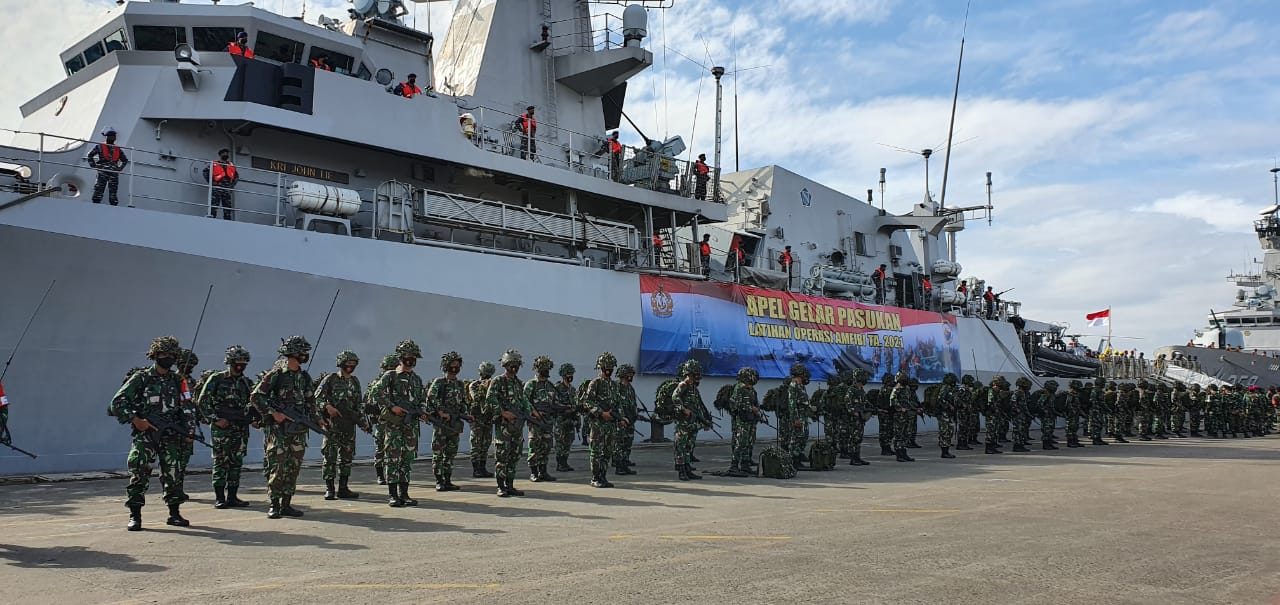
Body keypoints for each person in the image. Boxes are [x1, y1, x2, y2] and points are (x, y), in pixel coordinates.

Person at [110, 336, 191, 531]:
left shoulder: (178, 380)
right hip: (146, 435)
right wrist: (137, 420)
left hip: (170, 435)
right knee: (139, 470)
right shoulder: (141, 378)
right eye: (164, 354)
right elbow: (117, 402)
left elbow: (187, 406)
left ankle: (174, 513)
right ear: (155, 355)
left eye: (172, 355)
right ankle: (135, 515)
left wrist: (189, 430)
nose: (168, 358)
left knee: (174, 473)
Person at [251, 335, 319, 519]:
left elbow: (310, 401)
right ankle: (274, 504)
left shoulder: (304, 377)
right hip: (279, 431)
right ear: (292, 353)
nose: (305, 355)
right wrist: (274, 413)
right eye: (302, 352)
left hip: (298, 431)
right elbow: (256, 397)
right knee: (277, 467)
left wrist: (317, 420)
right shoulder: (276, 375)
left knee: (293, 467)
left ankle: (287, 504)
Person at [197, 345, 255, 509]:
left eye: (244, 361)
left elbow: (253, 405)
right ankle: (220, 497)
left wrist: (254, 420)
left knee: (236, 462)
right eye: (238, 361)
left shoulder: (247, 383)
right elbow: (203, 401)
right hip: (222, 427)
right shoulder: (217, 379)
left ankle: (232, 496)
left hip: (240, 428)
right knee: (221, 461)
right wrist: (215, 419)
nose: (241, 364)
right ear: (230, 361)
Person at [372, 340, 427, 507]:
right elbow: (376, 392)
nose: (411, 360)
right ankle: (393, 495)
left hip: (410, 426)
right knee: (393, 458)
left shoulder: (416, 379)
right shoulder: (390, 376)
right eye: (408, 357)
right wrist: (392, 406)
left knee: (407, 459)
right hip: (394, 425)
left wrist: (422, 411)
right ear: (401, 358)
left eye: (414, 357)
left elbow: (422, 399)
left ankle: (405, 494)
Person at [315, 350, 370, 500]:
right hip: (333, 425)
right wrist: (327, 407)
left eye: (353, 364)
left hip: (349, 425)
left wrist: (362, 422)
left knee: (347, 457)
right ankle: (330, 488)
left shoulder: (355, 381)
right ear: (341, 363)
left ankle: (343, 487)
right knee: (330, 456)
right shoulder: (331, 379)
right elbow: (316, 398)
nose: (350, 366)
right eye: (348, 363)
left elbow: (359, 405)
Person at [485, 349, 540, 497]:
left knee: (514, 455)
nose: (514, 367)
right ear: (505, 365)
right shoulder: (498, 381)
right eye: (511, 364)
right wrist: (503, 412)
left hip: (517, 425)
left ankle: (510, 485)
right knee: (502, 455)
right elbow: (490, 398)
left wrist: (531, 412)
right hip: (504, 426)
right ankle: (501, 486)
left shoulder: (518, 383)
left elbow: (524, 400)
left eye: (516, 364)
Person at [425, 351, 468, 491]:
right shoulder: (439, 382)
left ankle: (448, 479)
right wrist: (440, 412)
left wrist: (466, 414)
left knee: (451, 452)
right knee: (438, 453)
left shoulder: (460, 384)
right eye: (452, 365)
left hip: (454, 423)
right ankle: (439, 480)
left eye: (457, 365)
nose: (455, 368)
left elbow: (462, 402)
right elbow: (430, 399)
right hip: (442, 424)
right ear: (446, 366)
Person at [583, 352, 626, 488]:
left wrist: (621, 417)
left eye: (611, 367)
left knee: (607, 451)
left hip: (611, 424)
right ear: (601, 368)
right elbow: (587, 401)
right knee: (596, 451)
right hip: (598, 424)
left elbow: (618, 403)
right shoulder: (595, 383)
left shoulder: (614, 385)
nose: (609, 370)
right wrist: (601, 413)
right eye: (606, 367)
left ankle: (603, 476)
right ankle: (595, 477)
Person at [524, 356, 560, 482]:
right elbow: (524, 401)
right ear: (537, 369)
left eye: (547, 368)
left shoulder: (550, 386)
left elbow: (555, 402)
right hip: (536, 421)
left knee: (546, 447)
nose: (545, 370)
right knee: (534, 445)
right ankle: (534, 472)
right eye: (543, 368)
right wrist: (534, 412)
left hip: (548, 421)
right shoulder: (531, 384)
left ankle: (543, 471)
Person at [670, 360, 707, 481]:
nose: (698, 376)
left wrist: (704, 420)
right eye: (695, 373)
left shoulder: (693, 388)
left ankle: (687, 468)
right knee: (680, 446)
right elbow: (675, 397)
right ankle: (681, 470)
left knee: (688, 447)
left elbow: (697, 406)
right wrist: (683, 409)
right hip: (683, 422)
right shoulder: (683, 385)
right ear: (689, 373)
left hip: (691, 422)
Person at [367, 354, 398, 485]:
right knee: (380, 448)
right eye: (388, 368)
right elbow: (368, 403)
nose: (391, 370)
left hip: (396, 422)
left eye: (393, 368)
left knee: (395, 449)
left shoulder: (398, 383)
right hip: (381, 421)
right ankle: (380, 475)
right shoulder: (376, 383)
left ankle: (394, 475)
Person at [174, 350, 200, 502]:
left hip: (188, 426)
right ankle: (171, 489)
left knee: (183, 460)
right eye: (185, 365)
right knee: (172, 460)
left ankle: (179, 488)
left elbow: (195, 404)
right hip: (173, 426)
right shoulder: (172, 380)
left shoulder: (193, 383)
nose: (188, 368)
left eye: (191, 365)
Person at [727, 367, 760, 476]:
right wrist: (750, 408)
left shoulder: (752, 390)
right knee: (740, 442)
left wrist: (758, 413)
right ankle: (734, 466)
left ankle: (745, 465)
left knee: (749, 442)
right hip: (741, 420)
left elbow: (756, 404)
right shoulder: (739, 388)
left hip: (751, 420)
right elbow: (735, 404)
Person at [467, 361, 497, 478]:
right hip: (477, 418)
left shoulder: (492, 383)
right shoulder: (474, 385)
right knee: (476, 444)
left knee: (485, 443)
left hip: (488, 418)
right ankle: (476, 469)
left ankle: (483, 468)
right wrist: (486, 386)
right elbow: (477, 398)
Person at [87, 128, 128, 205]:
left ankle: (113, 205)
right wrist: (94, 165)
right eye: (110, 136)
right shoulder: (99, 146)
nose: (113, 137)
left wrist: (120, 168)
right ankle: (95, 203)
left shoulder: (118, 149)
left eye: (114, 136)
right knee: (99, 188)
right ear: (107, 137)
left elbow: (125, 160)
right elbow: (90, 155)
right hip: (102, 171)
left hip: (114, 172)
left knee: (113, 190)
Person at [613, 364, 640, 474]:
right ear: (623, 374)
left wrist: (635, 415)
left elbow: (633, 403)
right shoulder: (616, 387)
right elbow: (613, 404)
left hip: (630, 420)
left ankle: (625, 463)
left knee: (628, 442)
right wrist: (620, 418)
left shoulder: (630, 388)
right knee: (619, 443)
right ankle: (619, 466)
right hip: (620, 420)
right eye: (629, 374)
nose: (631, 376)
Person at [552, 363, 579, 473]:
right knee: (560, 442)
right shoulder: (557, 388)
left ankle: (565, 462)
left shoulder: (572, 389)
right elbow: (554, 404)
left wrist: (577, 419)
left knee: (568, 442)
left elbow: (576, 404)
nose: (570, 376)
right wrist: (566, 409)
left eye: (571, 374)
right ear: (563, 375)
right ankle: (560, 464)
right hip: (561, 420)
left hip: (571, 420)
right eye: (568, 374)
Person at [203, 148, 238, 220]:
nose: (225, 154)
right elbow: (205, 171)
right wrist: (211, 182)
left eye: (227, 153)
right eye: (224, 153)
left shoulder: (231, 165)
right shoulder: (214, 164)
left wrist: (232, 185)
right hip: (217, 187)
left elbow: (236, 176)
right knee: (214, 205)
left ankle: (227, 220)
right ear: (220, 154)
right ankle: (211, 219)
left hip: (227, 188)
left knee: (227, 207)